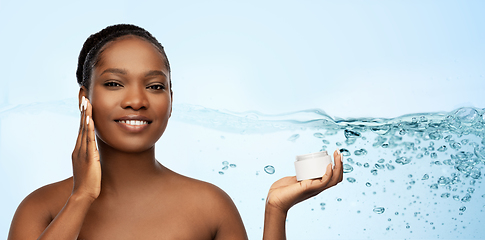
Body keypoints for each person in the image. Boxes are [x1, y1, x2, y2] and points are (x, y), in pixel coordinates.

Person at [8, 24, 343, 239]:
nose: (137, 100)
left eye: (154, 86)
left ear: (170, 100)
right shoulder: (40, 208)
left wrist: (275, 211)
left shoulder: (210, 206)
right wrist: (81, 198)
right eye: (114, 83)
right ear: (85, 99)